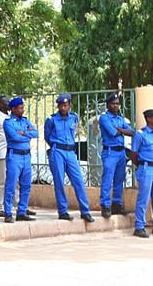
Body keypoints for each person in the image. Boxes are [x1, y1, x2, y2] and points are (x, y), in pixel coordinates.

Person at [44, 93, 94, 222]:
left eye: (65, 105)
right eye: (61, 106)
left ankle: (85, 211)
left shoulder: (74, 118)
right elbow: (47, 136)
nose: (63, 108)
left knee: (78, 181)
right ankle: (62, 211)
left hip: (71, 152)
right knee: (59, 181)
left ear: (69, 106)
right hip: (58, 151)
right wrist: (56, 145)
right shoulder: (51, 120)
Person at [1, 97, 38, 223]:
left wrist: (25, 134)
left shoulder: (25, 121)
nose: (22, 110)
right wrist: (26, 135)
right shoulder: (8, 122)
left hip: (26, 156)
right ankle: (8, 212)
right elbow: (15, 137)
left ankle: (22, 211)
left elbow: (36, 133)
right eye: (20, 108)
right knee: (11, 185)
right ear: (13, 109)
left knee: (26, 185)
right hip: (14, 156)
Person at [98, 93, 134, 218]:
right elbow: (113, 132)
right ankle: (105, 205)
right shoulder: (104, 118)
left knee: (119, 179)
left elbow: (132, 132)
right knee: (108, 179)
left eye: (117, 104)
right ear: (108, 105)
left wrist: (121, 130)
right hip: (110, 152)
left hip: (121, 152)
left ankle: (117, 204)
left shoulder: (120, 119)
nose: (115, 106)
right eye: (113, 104)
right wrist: (121, 131)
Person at [130, 109, 153, 238]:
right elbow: (134, 154)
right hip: (146, 168)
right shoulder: (141, 134)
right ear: (149, 119)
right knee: (143, 198)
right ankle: (139, 226)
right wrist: (140, 165)